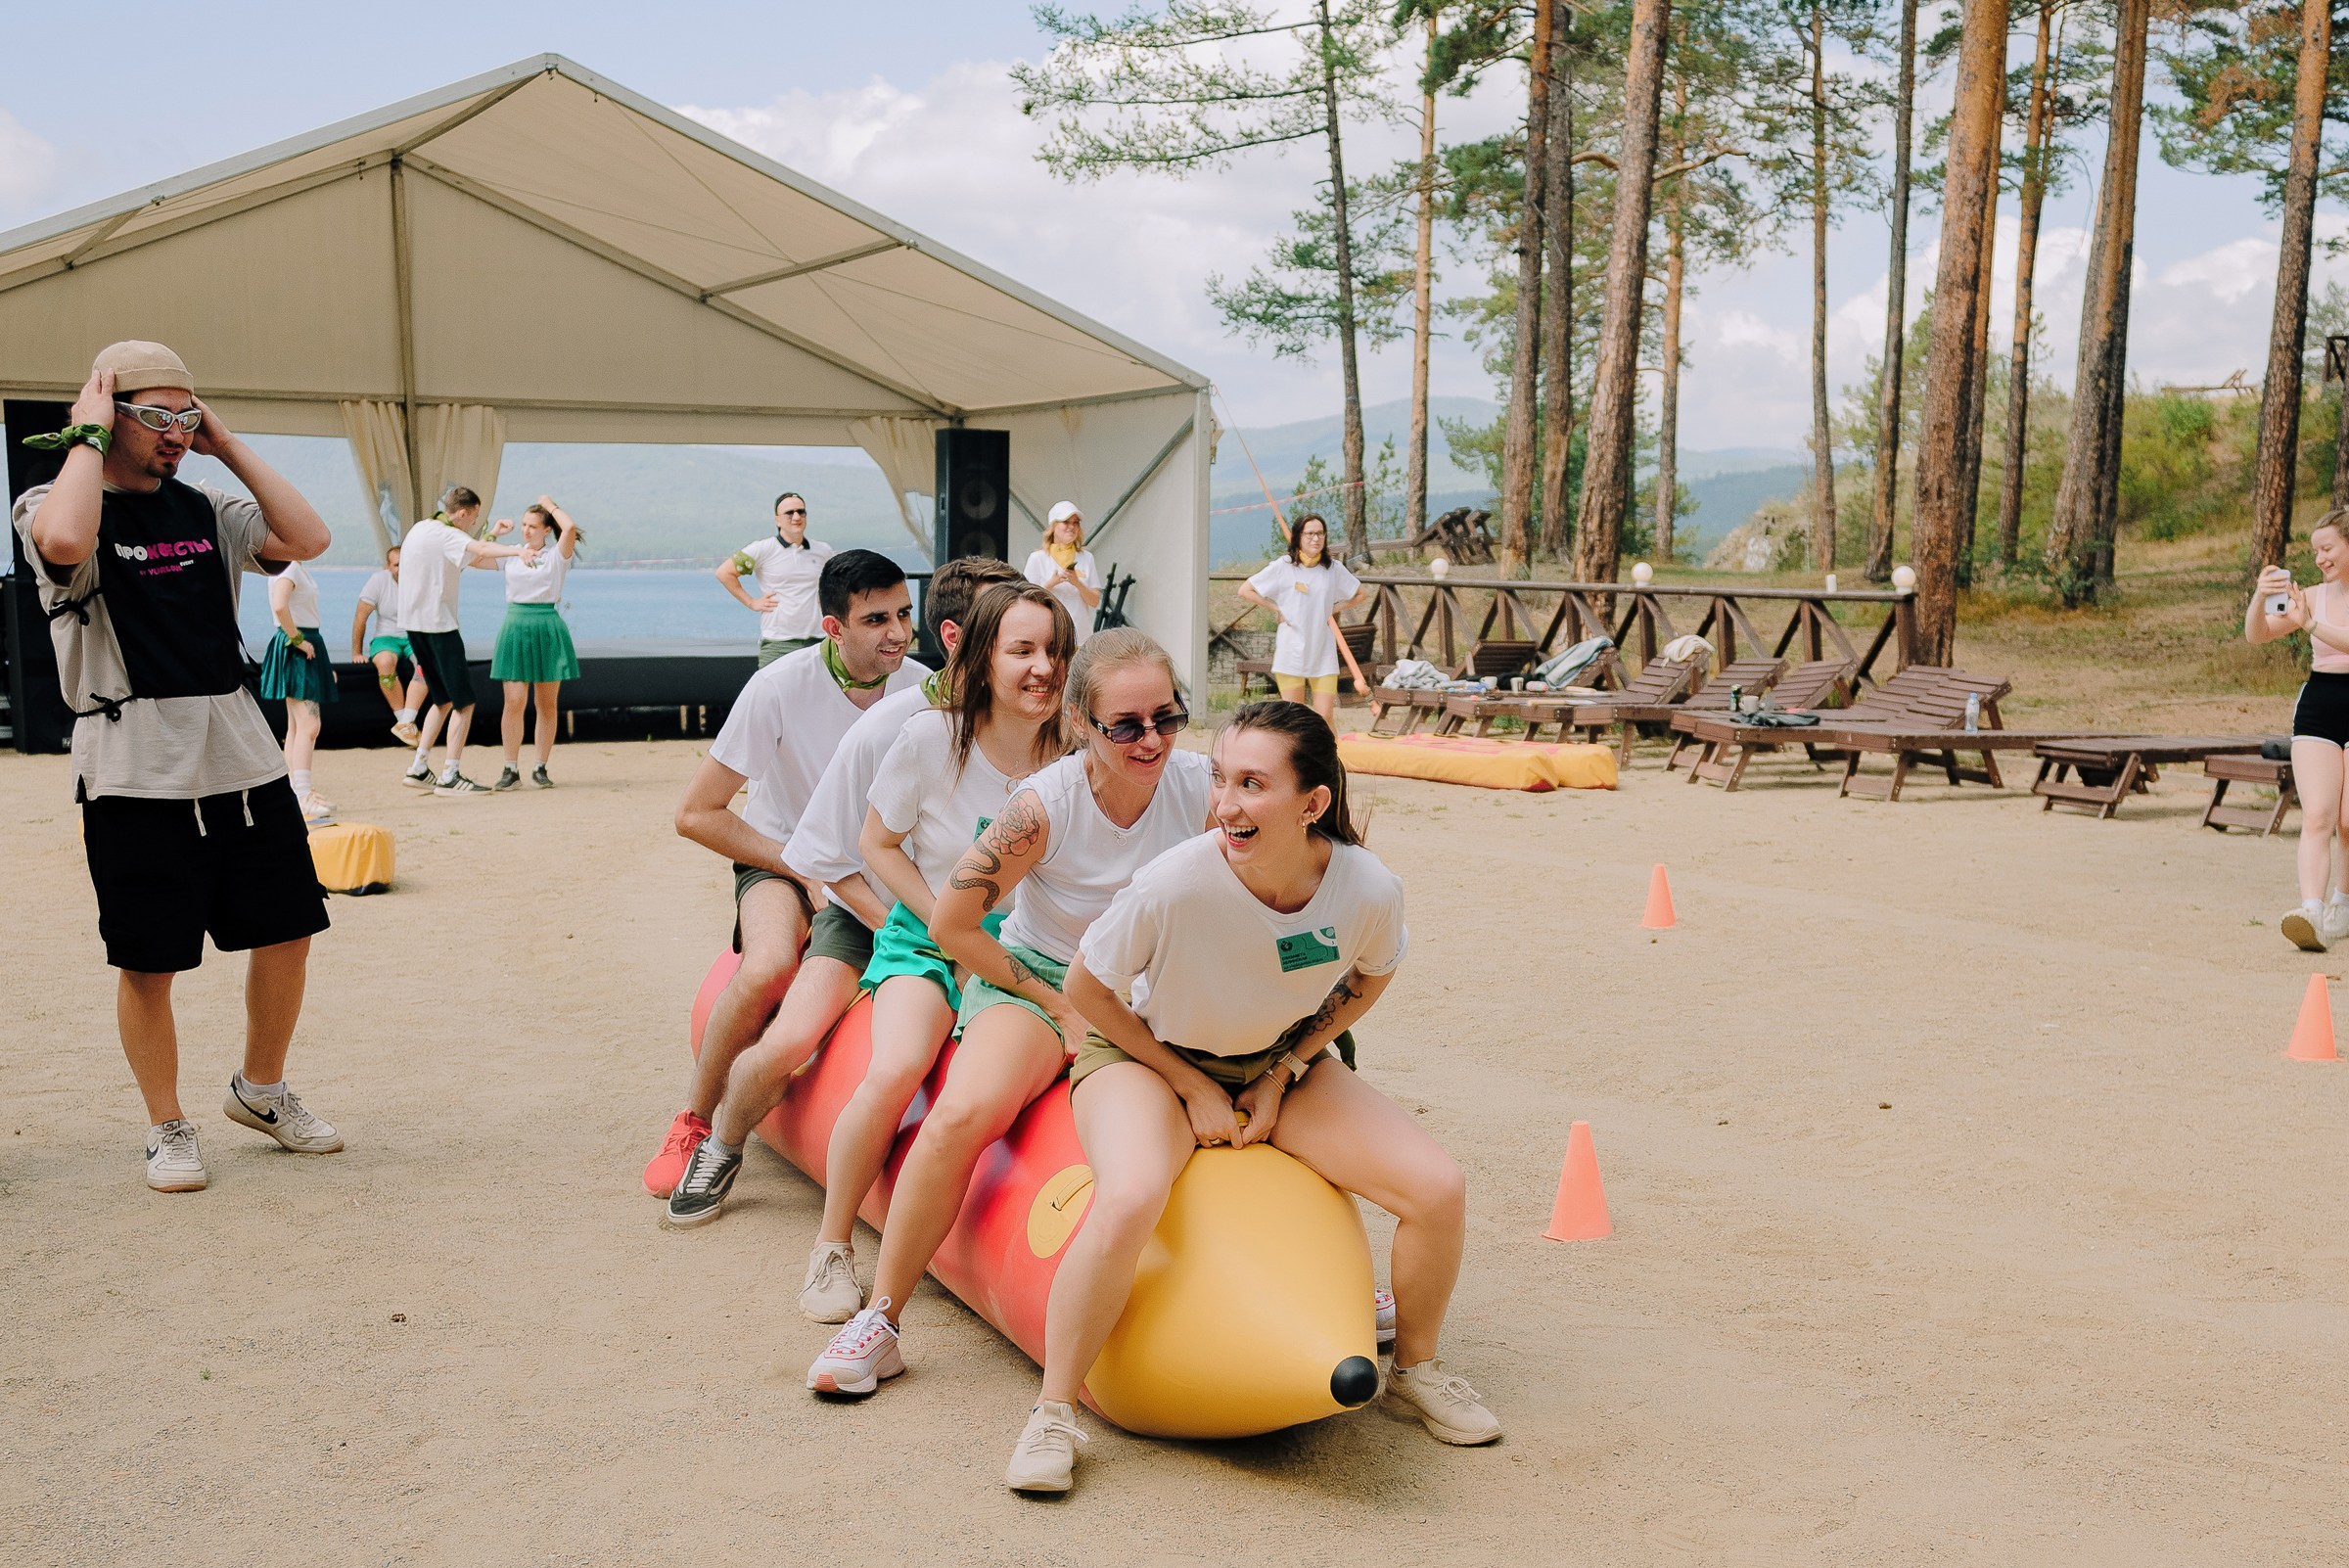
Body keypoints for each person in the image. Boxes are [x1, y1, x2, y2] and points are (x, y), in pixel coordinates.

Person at [1000, 702, 1497, 1493]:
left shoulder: (1366, 887)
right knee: (1129, 1198)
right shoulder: (1174, 884)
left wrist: (1284, 1070)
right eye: (1222, 780)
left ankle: (1416, 1369)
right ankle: (1053, 1411)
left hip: (1273, 1059)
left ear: (1312, 804)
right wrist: (1188, 1083)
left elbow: (1372, 977)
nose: (1226, 804)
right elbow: (1086, 990)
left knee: (1438, 1189)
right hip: (1145, 1058)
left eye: (1253, 784)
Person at [797, 627, 1208, 1396]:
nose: (1150, 739)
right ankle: (881, 1319)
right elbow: (952, 925)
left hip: (1152, 988)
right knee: (965, 1111)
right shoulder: (1041, 807)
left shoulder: (1205, 787)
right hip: (1045, 978)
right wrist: (1059, 1004)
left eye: (1167, 716)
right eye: (1126, 725)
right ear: (1082, 722)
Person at [13, 341, 341, 1192]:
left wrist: (221, 442)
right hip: (131, 763)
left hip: (238, 751)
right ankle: (168, 1124)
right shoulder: (52, 501)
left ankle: (260, 1090)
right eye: (155, 415)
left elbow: (308, 535)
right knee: (149, 958)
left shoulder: (205, 505)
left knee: (289, 928)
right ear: (106, 412)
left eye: (185, 415)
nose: (174, 432)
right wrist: (86, 438)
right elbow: (62, 537)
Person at [661, 557, 1028, 1253]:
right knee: (789, 1019)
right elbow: (808, 850)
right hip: (860, 902)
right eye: (1005, 630)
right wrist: (898, 923)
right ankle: (718, 1138)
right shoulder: (882, 717)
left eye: (899, 617)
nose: (895, 633)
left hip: (948, 918)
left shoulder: (1012, 717)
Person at [644, 550, 928, 1198]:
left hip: (876, 871)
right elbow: (695, 814)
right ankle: (692, 1120)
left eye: (905, 614)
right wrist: (803, 869)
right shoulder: (777, 687)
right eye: (876, 618)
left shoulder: (922, 688)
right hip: (778, 855)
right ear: (833, 628)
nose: (897, 632)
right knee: (770, 963)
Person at [2249, 509, 2349, 950]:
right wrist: (2259, 596)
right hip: (2319, 707)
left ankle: (2342, 904)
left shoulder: (2312, 610)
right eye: (2314, 551)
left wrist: (2310, 623)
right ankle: (2311, 910)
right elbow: (2258, 635)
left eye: (2327, 548)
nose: (2320, 558)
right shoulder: (2310, 595)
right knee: (2319, 816)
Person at [397, 484, 528, 796]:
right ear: (463, 513)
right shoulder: (448, 534)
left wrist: (493, 535)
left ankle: (418, 768)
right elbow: (478, 551)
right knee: (464, 703)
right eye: (475, 518)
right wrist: (518, 551)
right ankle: (450, 775)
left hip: (414, 626)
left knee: (442, 699)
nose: (473, 523)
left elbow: (470, 554)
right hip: (440, 626)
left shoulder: (422, 528)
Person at [488, 497, 582, 791]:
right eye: (524, 525)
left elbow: (569, 528)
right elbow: (475, 556)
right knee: (514, 701)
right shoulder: (510, 554)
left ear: (546, 530)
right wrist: (494, 533)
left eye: (533, 526)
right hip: (516, 623)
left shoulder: (557, 556)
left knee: (546, 703)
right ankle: (510, 768)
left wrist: (550, 504)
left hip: (546, 624)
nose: (526, 531)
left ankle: (540, 767)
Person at [1237, 514, 1367, 726]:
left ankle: (1332, 758)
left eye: (1320, 534)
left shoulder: (1332, 568)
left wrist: (1334, 608)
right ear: (1299, 537)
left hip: (1323, 651)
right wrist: (1276, 608)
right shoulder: (1283, 567)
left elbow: (1360, 594)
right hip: (1291, 651)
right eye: (1310, 534)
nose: (1316, 539)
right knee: (1293, 717)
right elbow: (1245, 590)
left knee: (1325, 716)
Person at [257, 555, 338, 823]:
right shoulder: (289, 566)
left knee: (297, 726)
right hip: (298, 646)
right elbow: (279, 606)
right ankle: (302, 793)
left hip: (304, 643)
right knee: (309, 725)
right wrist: (298, 639)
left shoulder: (292, 567)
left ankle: (297, 790)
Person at [721, 491, 835, 667]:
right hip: (778, 643)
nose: (796, 517)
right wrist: (752, 602)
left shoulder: (823, 551)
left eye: (801, 512)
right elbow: (724, 573)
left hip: (818, 641)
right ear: (777, 520)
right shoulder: (763, 549)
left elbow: (834, 585)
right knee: (771, 694)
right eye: (789, 513)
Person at [353, 544, 427, 747]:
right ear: (388, 566)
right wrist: (357, 651)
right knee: (385, 663)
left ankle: (405, 723)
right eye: (396, 565)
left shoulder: (422, 580)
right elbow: (361, 617)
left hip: (414, 635)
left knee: (426, 665)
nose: (401, 569)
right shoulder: (378, 581)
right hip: (386, 637)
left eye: (406, 564)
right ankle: (403, 721)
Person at [1024, 500, 1102, 646]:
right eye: (1066, 522)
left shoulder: (1086, 557)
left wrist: (1077, 583)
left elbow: (1095, 601)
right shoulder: (1038, 558)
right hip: (1048, 637)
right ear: (1053, 526)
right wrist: (1050, 584)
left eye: (1076, 522)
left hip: (1080, 637)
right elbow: (1025, 599)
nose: (1071, 527)